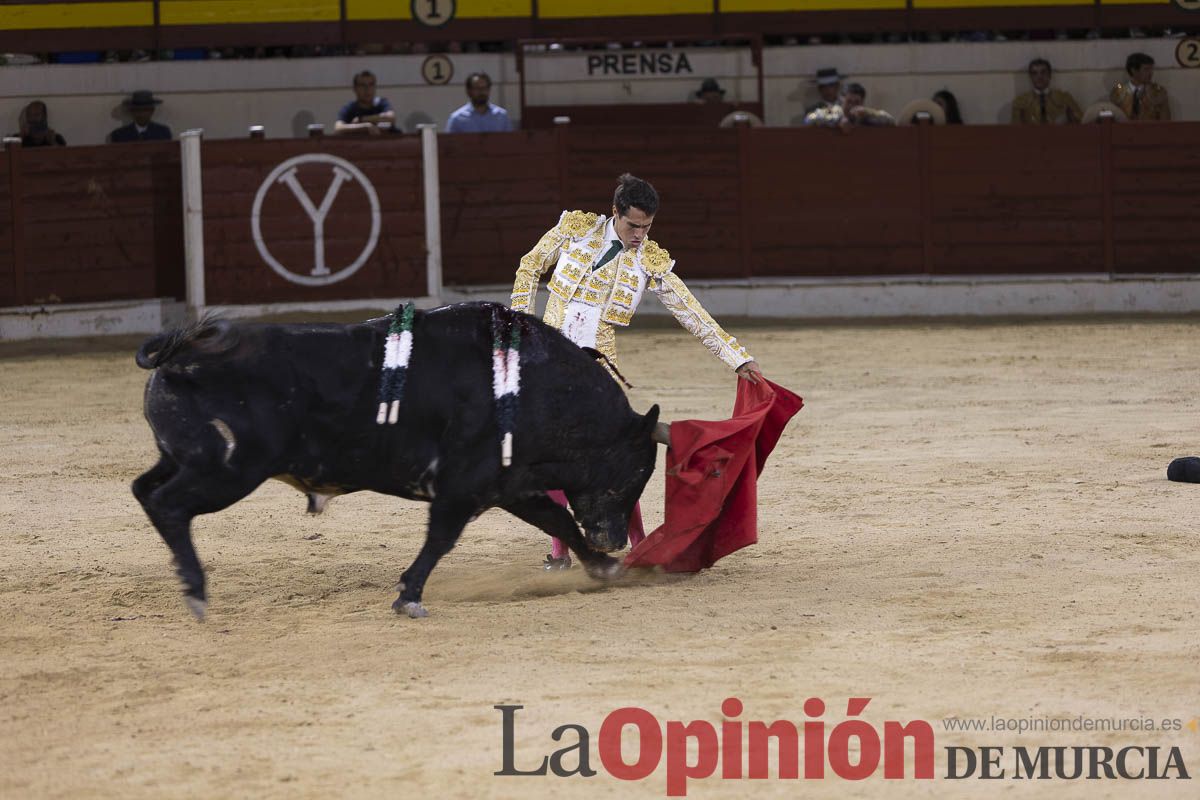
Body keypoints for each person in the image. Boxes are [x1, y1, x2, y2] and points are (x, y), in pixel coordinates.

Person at [511, 173, 764, 569]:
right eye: (633, 226)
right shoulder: (575, 230)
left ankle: (640, 545)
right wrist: (521, 326)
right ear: (615, 213)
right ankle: (560, 552)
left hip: (599, 365)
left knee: (614, 456)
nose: (640, 235)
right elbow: (529, 268)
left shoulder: (649, 260)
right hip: (548, 352)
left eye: (647, 227)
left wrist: (737, 357)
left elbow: (689, 310)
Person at [1011, 59, 1082, 125]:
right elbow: (1015, 130)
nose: (1039, 77)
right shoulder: (1020, 102)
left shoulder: (1064, 98)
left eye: (1043, 72)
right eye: (1035, 73)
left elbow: (1081, 121)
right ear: (1031, 77)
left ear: (1050, 75)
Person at [1110, 52, 1170, 122]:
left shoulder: (1158, 92)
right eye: (1146, 69)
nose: (1151, 73)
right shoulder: (1118, 92)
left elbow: (1165, 120)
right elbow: (1114, 119)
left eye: (1151, 69)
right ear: (1134, 70)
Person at [804, 83, 894, 127]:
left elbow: (890, 121)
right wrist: (838, 120)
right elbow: (808, 120)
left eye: (857, 102)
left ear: (862, 102)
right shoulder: (833, 112)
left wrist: (868, 113)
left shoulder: (866, 115)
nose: (852, 106)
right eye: (849, 102)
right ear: (842, 100)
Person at [335, 70, 397, 135]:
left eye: (371, 84)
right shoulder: (350, 108)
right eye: (362, 85)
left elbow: (391, 118)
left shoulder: (381, 103)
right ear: (355, 88)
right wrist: (365, 127)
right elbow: (338, 128)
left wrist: (362, 119)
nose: (367, 89)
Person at [445, 72, 511, 133]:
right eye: (477, 88)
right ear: (469, 91)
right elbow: (449, 143)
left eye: (484, 88)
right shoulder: (457, 119)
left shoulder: (501, 116)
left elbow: (510, 141)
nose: (481, 92)